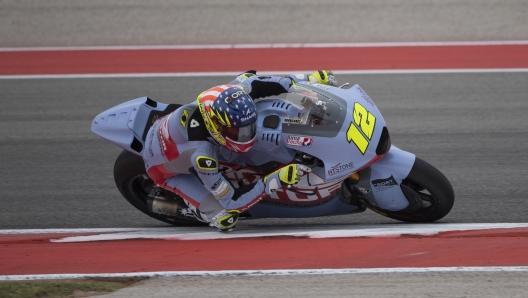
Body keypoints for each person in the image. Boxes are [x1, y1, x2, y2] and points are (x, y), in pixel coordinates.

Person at [142, 70, 338, 232]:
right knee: (226, 218)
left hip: (171, 128)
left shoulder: (227, 95)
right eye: (238, 132)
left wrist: (306, 80)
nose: (247, 135)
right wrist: (277, 179)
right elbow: (232, 201)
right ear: (216, 126)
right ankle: (194, 211)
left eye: (248, 129)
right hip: (162, 170)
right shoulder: (203, 157)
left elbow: (253, 80)